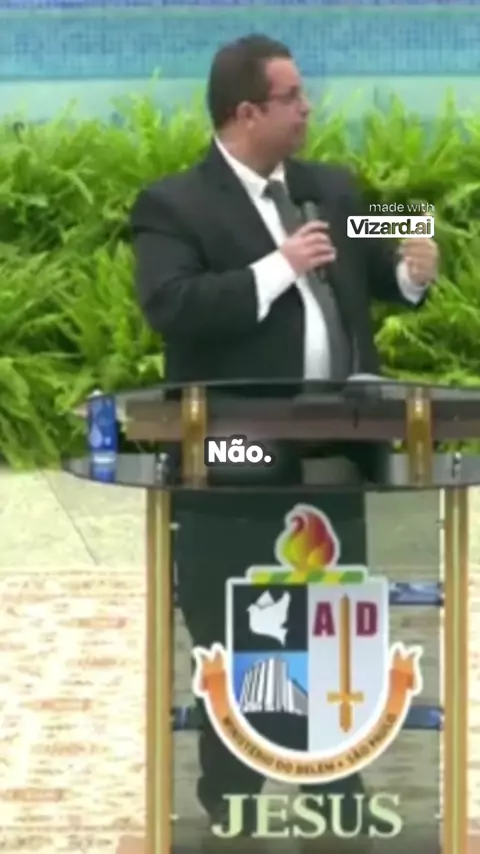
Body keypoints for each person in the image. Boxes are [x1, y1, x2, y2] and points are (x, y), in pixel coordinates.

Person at [130, 33, 439, 848]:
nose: (308, 108)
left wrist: (412, 269)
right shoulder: (172, 205)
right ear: (246, 112)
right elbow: (171, 305)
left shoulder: (332, 187)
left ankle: (339, 798)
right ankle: (230, 808)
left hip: (339, 456)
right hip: (231, 460)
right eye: (292, 96)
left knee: (335, 630)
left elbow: (391, 245)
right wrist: (279, 266)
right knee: (239, 633)